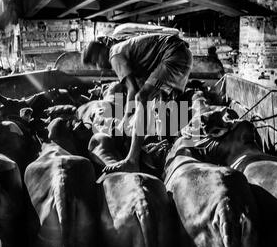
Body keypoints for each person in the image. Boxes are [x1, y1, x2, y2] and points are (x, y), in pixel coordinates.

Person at [82, 33, 193, 173]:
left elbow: (133, 90)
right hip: (182, 54)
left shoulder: (114, 54)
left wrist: (126, 118)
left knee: (142, 98)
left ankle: (132, 160)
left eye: (95, 60)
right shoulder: (126, 49)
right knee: (158, 101)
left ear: (101, 50)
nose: (99, 67)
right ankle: (169, 143)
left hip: (173, 54)